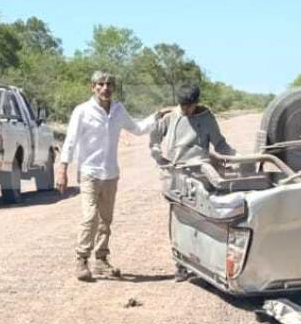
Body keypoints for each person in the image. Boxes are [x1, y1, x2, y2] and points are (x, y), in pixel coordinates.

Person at [57, 70, 165, 282]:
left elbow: (137, 128)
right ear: (93, 87)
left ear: (113, 88)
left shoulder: (118, 110)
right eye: (101, 84)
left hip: (110, 173)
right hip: (89, 172)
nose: (105, 88)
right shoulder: (82, 111)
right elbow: (70, 140)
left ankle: (101, 260)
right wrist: (62, 169)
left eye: (109, 84)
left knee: (106, 219)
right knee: (90, 217)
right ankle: (81, 259)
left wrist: (157, 116)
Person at [149, 83, 236, 281]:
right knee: (179, 218)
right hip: (175, 174)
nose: (186, 110)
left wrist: (235, 158)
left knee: (203, 217)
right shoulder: (169, 117)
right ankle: (180, 262)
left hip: (201, 173)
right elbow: (153, 139)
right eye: (183, 106)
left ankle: (204, 261)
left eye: (190, 106)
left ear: (196, 103)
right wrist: (157, 155)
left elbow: (220, 144)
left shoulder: (206, 118)